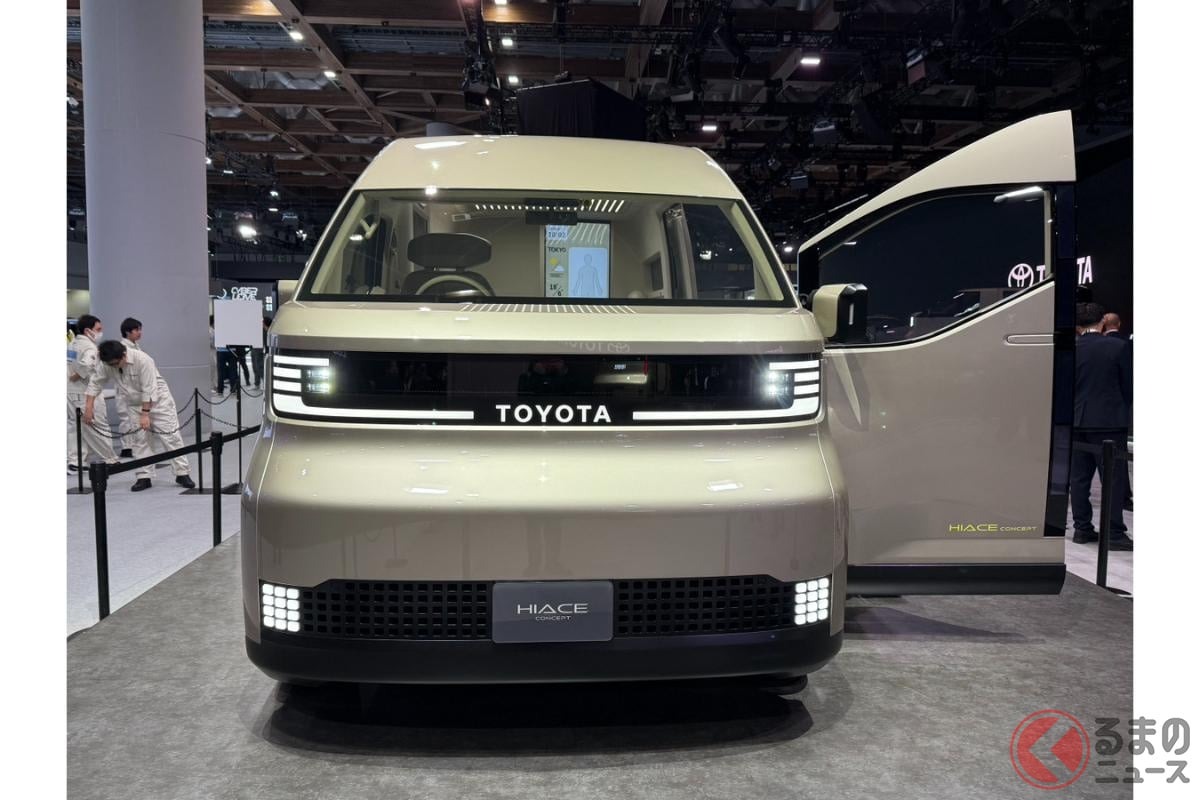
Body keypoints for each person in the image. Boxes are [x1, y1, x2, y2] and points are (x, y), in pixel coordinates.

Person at [84, 340, 196, 491]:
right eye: (111, 365)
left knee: (171, 437)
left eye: (116, 363)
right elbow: (95, 383)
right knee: (140, 441)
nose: (114, 367)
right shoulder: (107, 363)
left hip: (158, 402)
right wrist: (89, 407)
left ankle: (182, 473)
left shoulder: (143, 360)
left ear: (124, 355)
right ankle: (144, 476)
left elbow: (149, 389)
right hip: (133, 404)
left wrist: (145, 414)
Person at [1070, 302, 1133, 549]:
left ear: (1077, 325)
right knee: (1113, 480)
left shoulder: (1071, 349)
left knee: (1079, 479)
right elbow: (1128, 385)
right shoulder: (1118, 346)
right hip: (1109, 421)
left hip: (1076, 421)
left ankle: (1081, 529)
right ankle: (1113, 533)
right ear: (1102, 322)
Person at [67, 314, 119, 472]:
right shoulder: (90, 347)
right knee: (97, 425)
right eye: (98, 329)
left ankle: (76, 460)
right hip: (86, 392)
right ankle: (110, 459)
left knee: (75, 427)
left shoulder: (72, 343)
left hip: (71, 391)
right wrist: (77, 376)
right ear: (87, 330)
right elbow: (86, 366)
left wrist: (72, 378)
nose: (100, 332)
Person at [116, 317, 144, 458]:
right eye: (136, 330)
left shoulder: (136, 346)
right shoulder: (122, 348)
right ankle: (126, 447)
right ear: (127, 332)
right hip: (125, 388)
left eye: (140, 329)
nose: (139, 332)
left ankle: (134, 446)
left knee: (134, 419)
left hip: (135, 388)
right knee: (126, 418)